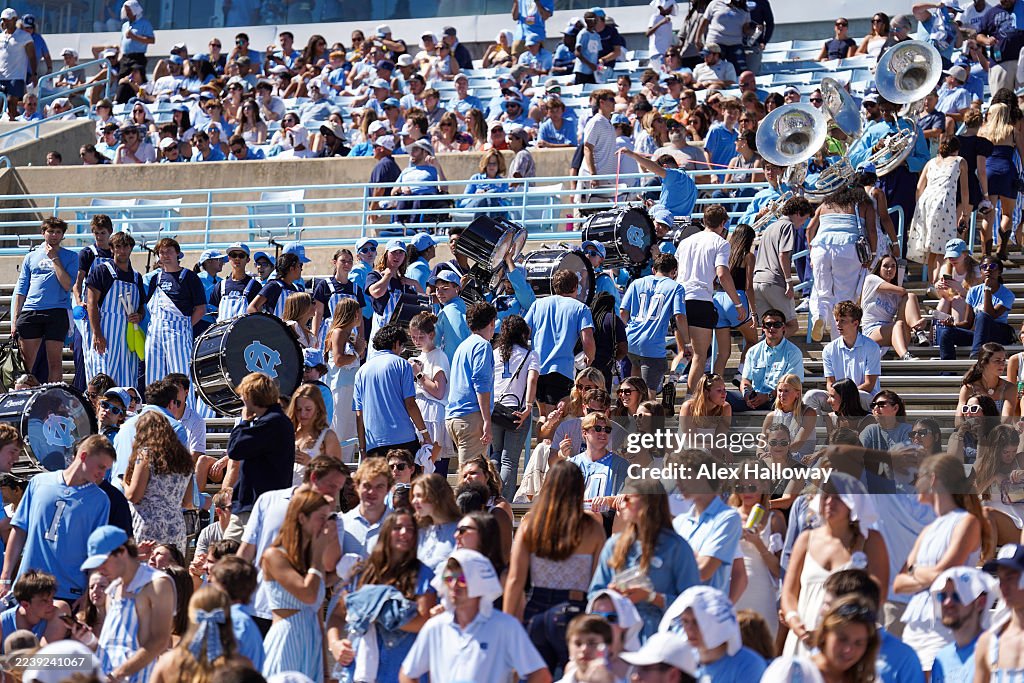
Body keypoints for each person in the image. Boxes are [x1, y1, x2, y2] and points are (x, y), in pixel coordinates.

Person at [399, 549, 552, 683]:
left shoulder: (506, 626)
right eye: (449, 578)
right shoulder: (435, 627)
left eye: (463, 580)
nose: (454, 586)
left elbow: (540, 675)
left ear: (479, 582)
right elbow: (407, 673)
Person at [781, 476, 889, 656]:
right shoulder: (805, 540)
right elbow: (789, 593)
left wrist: (840, 629)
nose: (830, 502)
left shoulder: (871, 540)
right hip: (803, 639)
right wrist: (795, 622)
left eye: (839, 497)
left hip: (848, 643)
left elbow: (879, 594)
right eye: (826, 496)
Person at [0, 435, 113, 602]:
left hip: (69, 592)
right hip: (27, 586)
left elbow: (96, 552)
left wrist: (86, 596)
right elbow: (19, 530)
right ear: (83, 457)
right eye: (101, 467)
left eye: (107, 469)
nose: (103, 474)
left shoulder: (101, 500)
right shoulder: (39, 482)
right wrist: (5, 577)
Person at [590, 477, 700, 641]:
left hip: (660, 639)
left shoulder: (677, 547)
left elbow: (692, 602)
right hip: (618, 639)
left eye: (628, 498)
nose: (622, 503)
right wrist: (610, 595)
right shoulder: (614, 545)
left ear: (648, 503)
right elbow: (594, 593)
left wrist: (651, 597)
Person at [84, 524, 175, 683]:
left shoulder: (157, 584)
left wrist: (117, 674)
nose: (100, 570)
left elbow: (160, 640)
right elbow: (111, 643)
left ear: (122, 553)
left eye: (103, 563)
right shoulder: (112, 589)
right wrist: (89, 640)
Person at [259, 490, 332, 682]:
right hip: (287, 640)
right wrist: (318, 557)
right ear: (302, 518)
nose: (326, 525)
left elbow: (317, 613)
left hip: (312, 641)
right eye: (321, 518)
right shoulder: (274, 556)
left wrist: (325, 670)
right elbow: (307, 594)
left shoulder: (311, 561)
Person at [674, 205, 745, 395]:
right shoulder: (721, 243)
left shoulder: (685, 242)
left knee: (683, 352)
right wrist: (737, 302)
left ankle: (671, 384)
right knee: (699, 355)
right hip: (700, 300)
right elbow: (722, 274)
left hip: (679, 299)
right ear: (723, 223)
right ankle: (690, 398)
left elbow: (677, 272)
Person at [221, 373, 295, 542]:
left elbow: (235, 449)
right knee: (225, 556)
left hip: (259, 506)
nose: (241, 398)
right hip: (252, 504)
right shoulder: (271, 421)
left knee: (231, 559)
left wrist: (244, 421)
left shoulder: (272, 422)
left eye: (244, 395)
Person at [806, 187, 877, 342]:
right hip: (847, 247)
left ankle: (820, 317)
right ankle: (839, 339)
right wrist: (872, 254)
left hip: (820, 247)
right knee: (844, 297)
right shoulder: (864, 204)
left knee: (821, 291)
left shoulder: (825, 205)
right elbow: (872, 231)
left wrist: (812, 253)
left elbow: (809, 229)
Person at [12, 217, 77, 383]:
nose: (54, 235)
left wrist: (54, 258)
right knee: (26, 365)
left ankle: (53, 399)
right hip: (31, 310)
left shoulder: (71, 256)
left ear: (62, 235)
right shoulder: (31, 257)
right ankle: (25, 398)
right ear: (43, 233)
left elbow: (67, 284)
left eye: (58, 232)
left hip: (56, 311)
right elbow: (21, 289)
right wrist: (14, 320)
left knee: (54, 362)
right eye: (50, 231)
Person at [660, 586, 768, 682]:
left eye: (697, 622)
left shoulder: (748, 664)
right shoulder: (682, 661)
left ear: (717, 622)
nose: (689, 629)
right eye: (685, 621)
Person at [524, 269, 596, 414]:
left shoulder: (538, 304)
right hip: (561, 369)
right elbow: (587, 340)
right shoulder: (581, 308)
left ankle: (542, 438)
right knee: (556, 416)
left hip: (537, 367)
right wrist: (590, 358)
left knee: (543, 415)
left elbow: (523, 332)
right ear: (576, 287)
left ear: (554, 286)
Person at [672, 449, 743, 595]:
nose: (678, 482)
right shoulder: (680, 522)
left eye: (684, 475)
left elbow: (703, 571)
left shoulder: (728, 518)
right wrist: (694, 556)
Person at [354, 325, 429, 459]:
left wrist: (362, 448)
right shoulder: (402, 364)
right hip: (403, 439)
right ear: (396, 344)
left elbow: (359, 415)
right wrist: (425, 434)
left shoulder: (361, 371)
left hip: (374, 443)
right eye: (402, 346)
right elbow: (410, 404)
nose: (401, 350)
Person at [620, 253, 689, 399]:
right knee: (649, 392)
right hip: (652, 343)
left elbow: (623, 312)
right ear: (674, 271)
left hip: (631, 339)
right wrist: (687, 341)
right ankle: (648, 419)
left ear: (653, 269)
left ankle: (634, 418)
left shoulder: (636, 283)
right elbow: (679, 316)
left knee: (635, 388)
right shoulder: (676, 288)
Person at [123, 411, 193, 555]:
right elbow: (187, 502)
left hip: (148, 527)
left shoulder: (146, 455)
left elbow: (134, 496)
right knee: (172, 574)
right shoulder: (185, 459)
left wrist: (124, 483)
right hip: (176, 527)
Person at [84, 231, 145, 389]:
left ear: (131, 248)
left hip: (128, 338)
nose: (122, 251)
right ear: (112, 249)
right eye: (118, 247)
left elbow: (141, 308)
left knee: (128, 379)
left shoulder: (137, 277)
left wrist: (139, 316)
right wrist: (97, 333)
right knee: (103, 379)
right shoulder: (102, 271)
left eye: (126, 247)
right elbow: (91, 303)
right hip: (106, 334)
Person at [142, 238, 205, 390]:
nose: (165, 255)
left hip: (178, 333)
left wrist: (185, 328)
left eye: (169, 251)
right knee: (153, 377)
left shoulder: (189, 277)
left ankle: (184, 412)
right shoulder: (155, 279)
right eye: (162, 252)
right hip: (154, 333)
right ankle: (155, 411)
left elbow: (201, 308)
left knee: (180, 376)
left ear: (177, 253)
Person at [489, 314, 538, 499]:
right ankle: (503, 502)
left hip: (495, 409)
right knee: (509, 460)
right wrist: (528, 406)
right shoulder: (530, 354)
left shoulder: (494, 353)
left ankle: (492, 496)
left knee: (495, 455)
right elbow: (532, 379)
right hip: (517, 410)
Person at [804, 301, 882, 414]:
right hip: (837, 397)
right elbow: (830, 383)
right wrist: (837, 397)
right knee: (811, 396)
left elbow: (869, 385)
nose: (838, 324)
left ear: (856, 323)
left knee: (863, 396)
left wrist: (844, 397)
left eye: (843, 321)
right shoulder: (829, 349)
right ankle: (818, 431)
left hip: (862, 397)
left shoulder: (872, 347)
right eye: (836, 320)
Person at [907, 136, 969, 275]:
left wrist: (919, 208)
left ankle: (931, 283)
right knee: (943, 248)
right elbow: (965, 192)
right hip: (944, 202)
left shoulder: (931, 162)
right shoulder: (960, 161)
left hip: (925, 202)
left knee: (931, 250)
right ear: (957, 149)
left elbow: (919, 187)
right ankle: (938, 282)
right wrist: (964, 214)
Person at [936, 255, 1016, 360]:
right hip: (979, 335)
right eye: (984, 266)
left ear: (999, 271)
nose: (988, 269)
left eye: (992, 266)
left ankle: (975, 355)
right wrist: (953, 324)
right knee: (946, 332)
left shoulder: (1007, 294)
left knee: (982, 316)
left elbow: (990, 315)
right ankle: (947, 372)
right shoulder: (973, 291)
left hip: (998, 333)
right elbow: (968, 323)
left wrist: (987, 289)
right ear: (981, 271)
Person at [754, 197, 813, 338]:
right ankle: (767, 353)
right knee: (792, 326)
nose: (803, 224)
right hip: (774, 282)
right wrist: (789, 282)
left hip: (757, 281)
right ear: (798, 213)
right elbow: (783, 255)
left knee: (769, 328)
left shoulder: (770, 227)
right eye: (804, 219)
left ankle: (763, 356)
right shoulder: (788, 226)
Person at [445, 302, 496, 465]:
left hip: (456, 417)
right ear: (492, 322)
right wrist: (487, 420)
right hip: (470, 417)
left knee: (476, 475)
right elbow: (481, 383)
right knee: (470, 478)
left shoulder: (463, 346)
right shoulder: (482, 345)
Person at [928, 567, 997, 683]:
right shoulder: (941, 658)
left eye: (957, 596)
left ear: (980, 603)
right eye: (942, 596)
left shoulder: (994, 650)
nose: (947, 603)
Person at [731, 309, 804, 413]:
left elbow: (793, 385)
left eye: (777, 324)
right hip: (754, 397)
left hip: (779, 399)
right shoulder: (753, 351)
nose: (772, 328)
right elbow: (745, 380)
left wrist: (768, 396)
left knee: (787, 398)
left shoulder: (794, 352)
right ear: (763, 327)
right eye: (768, 324)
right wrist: (746, 394)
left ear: (783, 327)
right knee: (722, 397)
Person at [812, 595, 881, 683]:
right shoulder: (796, 672)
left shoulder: (870, 680)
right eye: (842, 639)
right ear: (825, 633)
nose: (848, 650)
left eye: (858, 643)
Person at [247, 252, 306, 320]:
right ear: (291, 269)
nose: (301, 269)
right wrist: (265, 325)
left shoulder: (295, 289)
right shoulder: (274, 286)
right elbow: (252, 308)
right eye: (299, 266)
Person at [0, 8, 34, 121]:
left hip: (17, 76)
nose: (5, 22)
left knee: (11, 102)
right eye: (4, 20)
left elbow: (32, 56)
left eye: (8, 20)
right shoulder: (1, 36)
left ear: (14, 20)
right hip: (2, 76)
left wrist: (34, 74)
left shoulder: (24, 36)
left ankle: (16, 127)